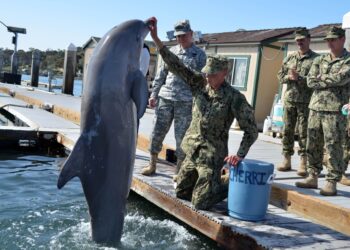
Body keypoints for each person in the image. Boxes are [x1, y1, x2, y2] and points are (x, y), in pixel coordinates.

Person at [147, 17, 258, 210]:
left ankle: (229, 184)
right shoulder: (199, 84)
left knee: (200, 202)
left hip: (212, 156)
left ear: (224, 73)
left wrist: (239, 155)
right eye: (206, 73)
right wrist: (156, 38)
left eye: (212, 74)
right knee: (181, 191)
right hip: (193, 150)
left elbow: (251, 130)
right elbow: (176, 64)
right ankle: (207, 183)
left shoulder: (234, 98)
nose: (207, 76)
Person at [141, 19, 207, 177]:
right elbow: (161, 74)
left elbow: (202, 81)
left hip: (185, 102)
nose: (180, 39)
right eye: (178, 36)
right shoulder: (170, 51)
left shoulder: (199, 55)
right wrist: (154, 93)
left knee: (182, 138)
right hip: (166, 98)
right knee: (157, 132)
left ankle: (179, 170)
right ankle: (152, 164)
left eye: (184, 35)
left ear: (191, 34)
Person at [295, 26, 350, 196]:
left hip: (335, 110)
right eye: (328, 40)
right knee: (313, 143)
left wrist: (322, 78)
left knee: (334, 145)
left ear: (343, 39)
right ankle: (313, 176)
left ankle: (332, 181)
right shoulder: (320, 60)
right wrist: (326, 80)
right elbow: (310, 82)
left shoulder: (348, 61)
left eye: (333, 39)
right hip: (315, 107)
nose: (330, 43)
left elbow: (342, 78)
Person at [277, 28, 319, 176]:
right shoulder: (290, 58)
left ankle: (303, 162)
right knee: (287, 130)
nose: (300, 43)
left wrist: (299, 78)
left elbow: (316, 81)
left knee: (304, 133)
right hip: (289, 100)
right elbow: (280, 76)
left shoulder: (316, 59)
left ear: (309, 39)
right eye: (297, 40)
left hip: (306, 102)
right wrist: (289, 77)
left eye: (302, 40)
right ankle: (286, 159)